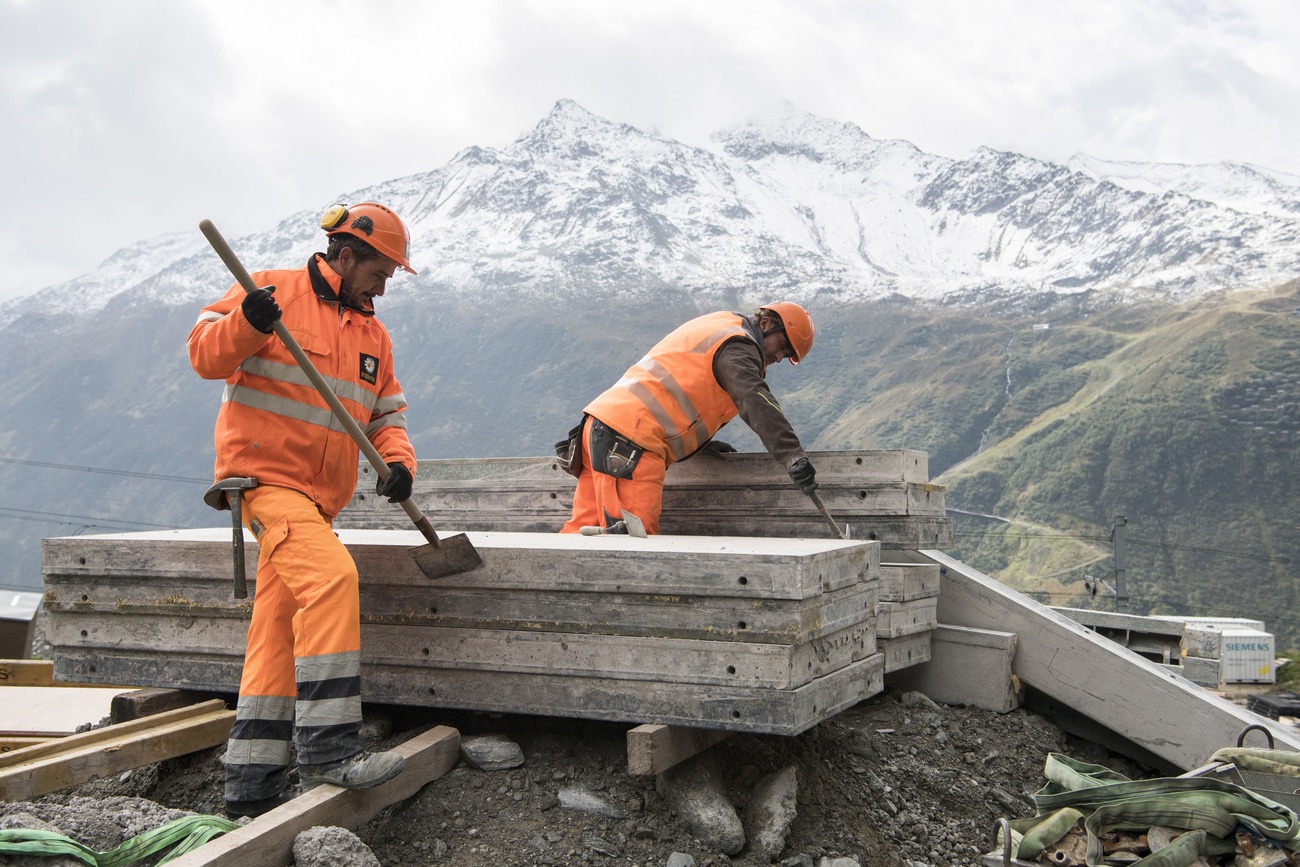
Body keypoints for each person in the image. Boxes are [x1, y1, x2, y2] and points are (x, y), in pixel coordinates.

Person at [188, 202, 419, 819]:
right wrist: (246, 323)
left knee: (275, 631)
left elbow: (387, 416)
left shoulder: (373, 335)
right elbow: (204, 356)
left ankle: (251, 784)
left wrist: (399, 467)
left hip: (320, 503)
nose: (385, 282)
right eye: (381, 270)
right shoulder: (268, 292)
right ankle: (327, 752)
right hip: (263, 483)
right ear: (346, 256)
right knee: (332, 579)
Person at [559, 302, 820, 535]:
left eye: (787, 356)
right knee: (633, 545)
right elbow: (755, 399)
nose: (779, 357)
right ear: (765, 323)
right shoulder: (739, 346)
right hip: (633, 444)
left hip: (601, 427)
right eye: (783, 346)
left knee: (580, 532)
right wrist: (792, 456)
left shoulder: (723, 324)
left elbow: (683, 386)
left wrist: (699, 442)